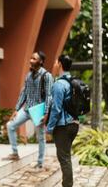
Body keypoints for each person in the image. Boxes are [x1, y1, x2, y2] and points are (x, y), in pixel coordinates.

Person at [3, 51, 53, 169]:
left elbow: (49, 96)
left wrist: (46, 113)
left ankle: (40, 162)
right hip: (26, 109)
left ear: (40, 61)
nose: (31, 60)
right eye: (31, 58)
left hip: (38, 110)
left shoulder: (47, 76)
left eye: (34, 59)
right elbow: (24, 93)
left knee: (40, 137)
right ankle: (15, 153)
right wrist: (16, 109)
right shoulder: (28, 75)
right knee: (10, 125)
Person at [47, 54, 79, 187]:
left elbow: (56, 109)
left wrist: (49, 128)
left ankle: (67, 185)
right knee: (66, 157)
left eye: (55, 63)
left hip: (63, 127)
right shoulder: (73, 82)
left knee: (64, 159)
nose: (53, 66)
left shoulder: (59, 84)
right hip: (74, 124)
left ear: (59, 64)